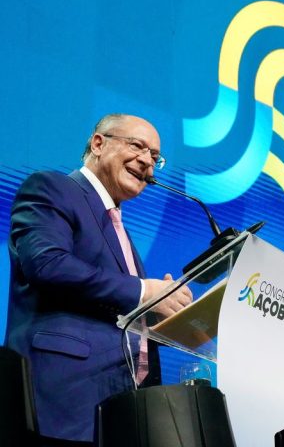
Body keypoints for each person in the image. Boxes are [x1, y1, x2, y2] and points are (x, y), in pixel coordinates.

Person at [5, 113, 193, 445]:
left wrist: (160, 313)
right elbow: (46, 264)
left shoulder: (120, 231)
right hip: (64, 401)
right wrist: (144, 290)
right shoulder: (52, 188)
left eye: (155, 157)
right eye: (138, 146)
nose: (147, 162)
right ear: (98, 143)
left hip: (123, 410)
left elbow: (115, 306)